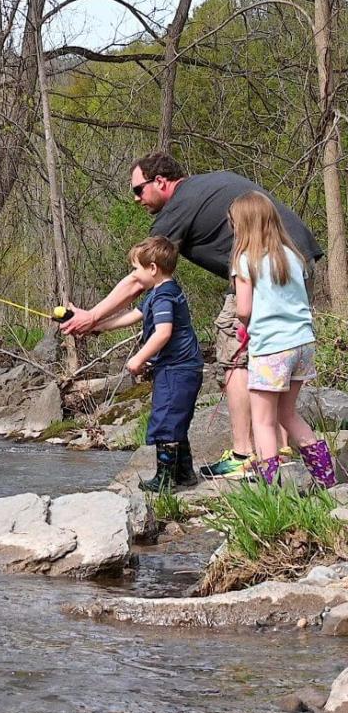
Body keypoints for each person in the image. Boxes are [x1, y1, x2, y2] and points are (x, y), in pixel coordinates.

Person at [62, 152, 323, 478]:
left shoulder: (178, 207)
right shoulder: (203, 188)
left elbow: (139, 277)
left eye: (138, 190)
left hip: (264, 265)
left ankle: (246, 455)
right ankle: (279, 452)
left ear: (160, 181)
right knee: (277, 352)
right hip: (297, 260)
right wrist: (100, 323)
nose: (135, 199)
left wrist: (91, 315)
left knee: (236, 354)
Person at [229, 192, 335, 487]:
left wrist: (243, 326)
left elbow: (244, 309)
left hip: (271, 349)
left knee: (263, 420)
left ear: (244, 224)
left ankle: (270, 490)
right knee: (288, 414)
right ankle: (327, 479)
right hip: (303, 344)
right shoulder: (292, 255)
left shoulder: (245, 259)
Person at [92, 236, 203, 491]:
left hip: (178, 368)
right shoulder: (160, 292)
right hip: (180, 368)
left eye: (135, 269)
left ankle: (164, 480)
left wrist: (138, 358)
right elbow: (134, 316)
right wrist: (98, 326)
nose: (133, 275)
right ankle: (185, 474)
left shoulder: (164, 296)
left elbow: (163, 332)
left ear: (153, 269)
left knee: (165, 420)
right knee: (176, 420)